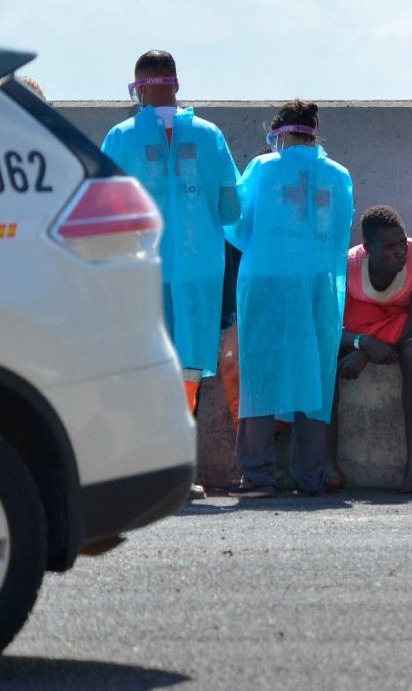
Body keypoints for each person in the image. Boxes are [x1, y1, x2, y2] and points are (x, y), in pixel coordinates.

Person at [101, 51, 241, 498]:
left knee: (145, 363)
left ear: (139, 88)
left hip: (142, 268)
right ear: (177, 87)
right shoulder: (209, 135)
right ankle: (183, 474)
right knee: (189, 368)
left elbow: (103, 207)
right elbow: (231, 206)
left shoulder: (121, 137)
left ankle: (147, 474)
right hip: (200, 269)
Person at [226, 101, 355, 498]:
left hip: (266, 281)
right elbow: (340, 231)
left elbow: (237, 221)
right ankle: (309, 478)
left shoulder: (264, 168)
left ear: (279, 134)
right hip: (317, 281)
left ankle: (258, 476)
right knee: (313, 373)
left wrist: (267, 248)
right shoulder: (338, 175)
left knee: (260, 371)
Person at [332, 206, 412, 494]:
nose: (400, 252)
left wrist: (365, 350)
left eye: (402, 243)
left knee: (411, 354)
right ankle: (326, 465)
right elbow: (330, 326)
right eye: (390, 247)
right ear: (368, 248)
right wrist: (362, 342)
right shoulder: (347, 265)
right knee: (328, 359)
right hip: (367, 327)